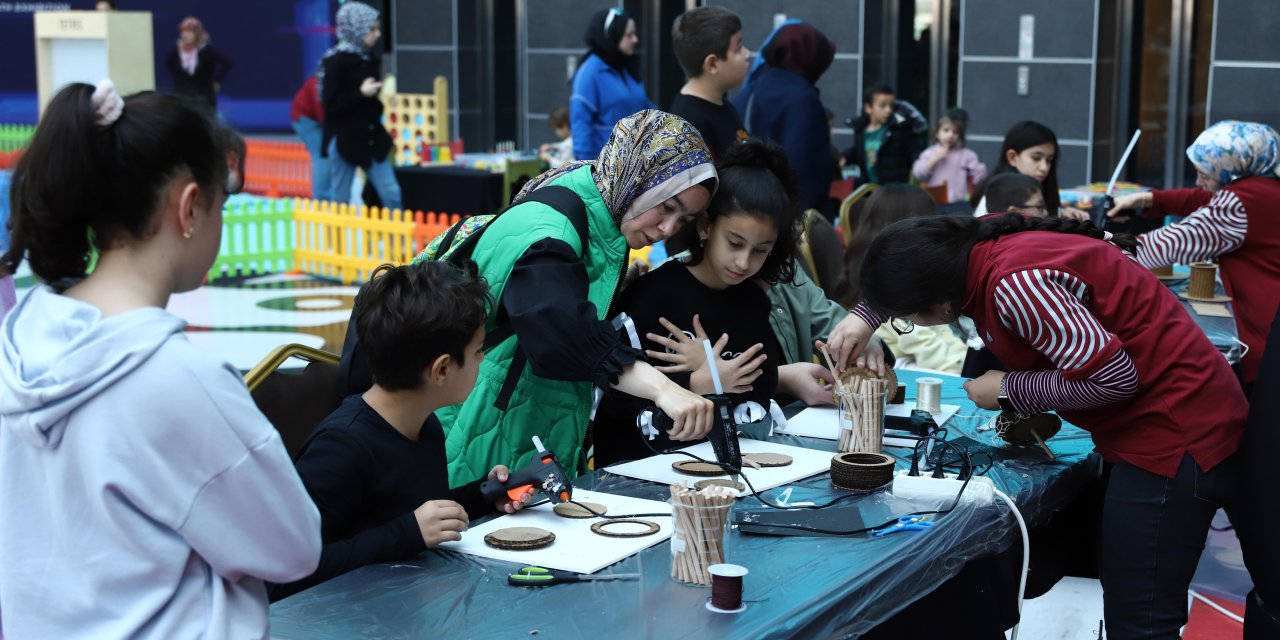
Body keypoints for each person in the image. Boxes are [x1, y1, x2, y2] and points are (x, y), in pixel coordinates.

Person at [824, 213, 1261, 638]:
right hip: (1188, 419)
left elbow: (1114, 378)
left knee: (1141, 622)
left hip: (1175, 439)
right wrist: (866, 314)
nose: (905, 322)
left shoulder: (1014, 286)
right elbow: (915, 255)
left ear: (940, 304)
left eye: (906, 316)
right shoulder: (979, 241)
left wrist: (1011, 388)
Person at [0, 81, 320, 637]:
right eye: (221, 203)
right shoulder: (180, 380)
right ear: (190, 206)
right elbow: (294, 547)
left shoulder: (19, 340)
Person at [433, 110, 717, 484]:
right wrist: (663, 389)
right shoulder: (552, 230)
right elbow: (560, 331)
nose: (667, 229)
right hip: (479, 439)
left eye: (683, 221)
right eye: (666, 207)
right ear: (635, 175)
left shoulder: (594, 202)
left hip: (516, 435)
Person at [270, 262, 533, 601]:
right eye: (478, 351)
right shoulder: (340, 449)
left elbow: (405, 509)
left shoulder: (423, 424)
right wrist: (407, 533)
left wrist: (483, 495)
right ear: (441, 369)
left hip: (405, 603)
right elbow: (283, 573)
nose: (482, 360)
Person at [593, 138, 797, 467]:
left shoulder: (753, 303)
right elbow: (610, 395)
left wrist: (714, 380)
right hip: (639, 471)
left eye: (760, 250)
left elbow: (760, 390)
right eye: (734, 243)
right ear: (705, 226)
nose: (744, 262)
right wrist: (699, 381)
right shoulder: (652, 296)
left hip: (730, 469)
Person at [1107, 120, 1280, 394]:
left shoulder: (1241, 202)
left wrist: (1100, 249)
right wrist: (1146, 199)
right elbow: (1202, 197)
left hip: (1266, 336)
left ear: (1232, 169)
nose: (1199, 181)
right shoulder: (1266, 187)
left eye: (1205, 173)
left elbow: (1172, 243)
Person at [834, 184, 966, 374]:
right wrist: (968, 367)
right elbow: (929, 346)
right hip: (908, 370)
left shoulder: (868, 266)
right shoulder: (896, 283)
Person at [733, 21, 836, 217]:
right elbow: (806, 166)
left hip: (749, 208)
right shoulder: (802, 97)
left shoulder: (751, 89)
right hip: (790, 217)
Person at [320, 2, 402, 211]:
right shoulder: (335, 62)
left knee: (391, 193)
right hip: (345, 141)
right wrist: (360, 93)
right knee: (341, 198)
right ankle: (336, 242)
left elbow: (370, 105)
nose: (377, 34)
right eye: (371, 29)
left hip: (372, 139)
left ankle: (399, 241)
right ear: (356, 29)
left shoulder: (368, 58)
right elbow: (331, 105)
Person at [570, 8, 654, 160]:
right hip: (606, 168)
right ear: (612, 35)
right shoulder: (590, 72)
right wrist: (588, 167)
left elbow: (646, 107)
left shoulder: (625, 68)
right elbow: (581, 123)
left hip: (635, 162)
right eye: (629, 34)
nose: (635, 39)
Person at [668, 5, 751, 159]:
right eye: (738, 49)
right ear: (712, 64)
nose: (747, 54)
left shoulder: (722, 104)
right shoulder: (688, 126)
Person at [971, 120, 1087, 220]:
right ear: (1012, 157)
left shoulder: (1042, 189)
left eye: (1049, 160)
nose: (1044, 167)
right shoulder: (992, 200)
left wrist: (1061, 213)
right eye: (1036, 158)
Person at [848, 83, 922, 186]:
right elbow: (857, 152)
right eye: (882, 106)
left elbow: (914, 152)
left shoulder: (900, 129)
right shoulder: (861, 131)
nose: (889, 110)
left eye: (891, 105)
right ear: (868, 108)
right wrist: (843, 157)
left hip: (893, 191)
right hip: (868, 190)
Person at [912, 108, 986, 208]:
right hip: (934, 203)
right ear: (937, 133)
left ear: (960, 136)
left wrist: (978, 172)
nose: (950, 135)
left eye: (955, 132)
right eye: (946, 130)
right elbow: (918, 174)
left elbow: (979, 178)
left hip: (959, 203)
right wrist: (933, 159)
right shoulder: (930, 153)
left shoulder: (967, 155)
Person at [164, 17, 233, 114]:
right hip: (181, 97)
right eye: (183, 32)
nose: (184, 35)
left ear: (196, 34)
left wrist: (217, 81)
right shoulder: (177, 49)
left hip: (203, 98)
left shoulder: (206, 50)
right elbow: (168, 63)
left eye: (189, 32)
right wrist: (179, 78)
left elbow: (227, 63)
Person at [291, 74, 331, 201]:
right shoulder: (319, 85)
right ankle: (321, 199)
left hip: (316, 118)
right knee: (321, 155)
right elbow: (324, 117)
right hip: (304, 119)